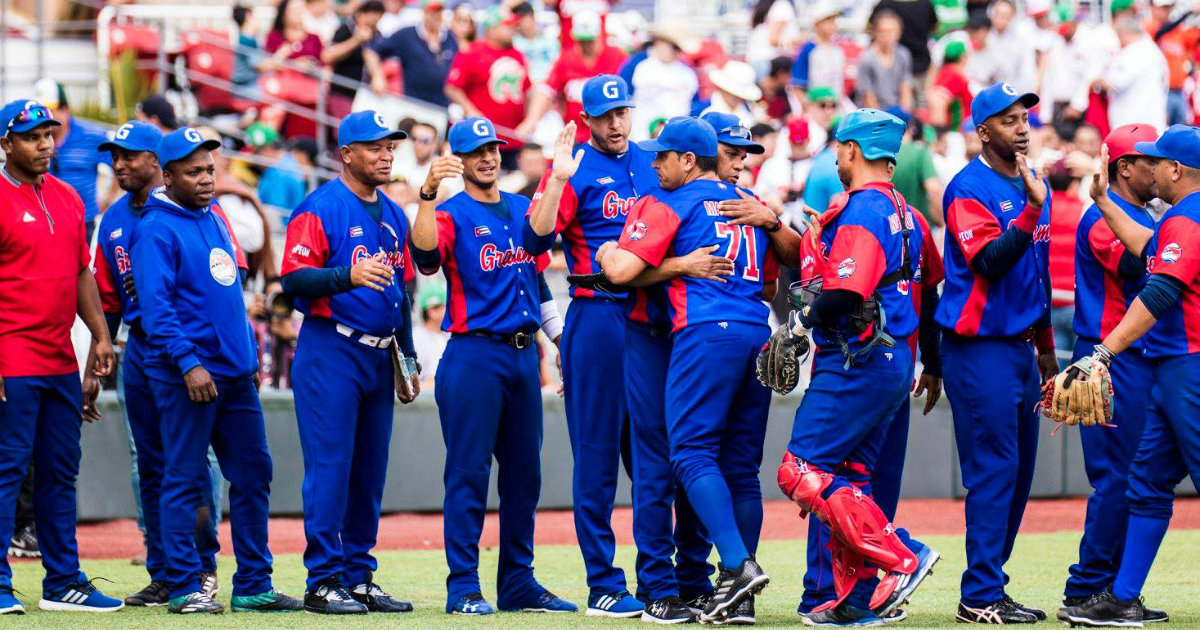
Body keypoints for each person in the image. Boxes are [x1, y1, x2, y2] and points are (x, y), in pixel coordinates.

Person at [740, 108, 940, 627]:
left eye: (838, 147)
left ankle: (902, 555)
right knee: (851, 478)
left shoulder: (864, 207)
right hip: (893, 357)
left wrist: (800, 322)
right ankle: (853, 602)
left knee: (800, 471)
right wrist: (933, 361)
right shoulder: (906, 210)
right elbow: (932, 288)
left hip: (858, 358)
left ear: (853, 150)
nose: (836, 155)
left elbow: (847, 289)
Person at [597, 116, 778, 624]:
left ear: (688, 160)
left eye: (663, 156)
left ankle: (735, 569)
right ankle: (734, 595)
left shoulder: (670, 200)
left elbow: (618, 271)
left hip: (700, 331)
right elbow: (775, 277)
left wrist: (610, 249)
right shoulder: (746, 206)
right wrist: (770, 220)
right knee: (740, 469)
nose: (653, 163)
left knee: (687, 455)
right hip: (754, 329)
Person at [409, 117, 576, 616]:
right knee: (468, 474)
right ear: (458, 159)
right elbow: (423, 258)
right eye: (476, 150)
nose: (488, 157)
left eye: (493, 149)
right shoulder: (449, 211)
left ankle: (518, 582)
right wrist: (426, 193)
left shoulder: (523, 206)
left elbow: (537, 277)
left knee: (525, 476)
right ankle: (463, 586)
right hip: (474, 354)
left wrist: (562, 340)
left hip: (525, 355)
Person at [132, 127, 302, 614]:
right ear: (167, 176)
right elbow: (157, 311)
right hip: (190, 377)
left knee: (254, 473)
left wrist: (247, 355)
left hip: (235, 375)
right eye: (193, 172)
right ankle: (185, 585)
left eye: (209, 169)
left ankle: (253, 583)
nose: (207, 179)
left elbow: (230, 295)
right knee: (184, 477)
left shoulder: (215, 215)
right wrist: (189, 364)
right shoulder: (155, 228)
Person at [523, 76, 659, 619]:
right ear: (586, 120)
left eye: (622, 112)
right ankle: (603, 582)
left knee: (655, 454)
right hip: (597, 308)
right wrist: (556, 179)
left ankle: (658, 577)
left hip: (651, 313)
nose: (615, 123)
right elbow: (534, 241)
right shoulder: (575, 166)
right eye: (604, 115)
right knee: (598, 455)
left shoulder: (654, 161)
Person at [1054, 124, 1200, 628]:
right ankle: (1113, 595)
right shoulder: (1169, 219)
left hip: (1181, 362)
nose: (1153, 167)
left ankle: (1100, 587)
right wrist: (1102, 201)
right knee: (1142, 481)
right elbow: (1147, 246)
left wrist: (1102, 353)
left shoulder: (1184, 217)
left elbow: (1159, 287)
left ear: (1175, 170)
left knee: (1135, 481)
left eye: (1159, 161)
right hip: (1158, 363)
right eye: (1147, 159)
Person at [280, 111, 418, 615]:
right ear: (347, 153)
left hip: (379, 355)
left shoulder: (394, 214)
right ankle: (322, 580)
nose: (386, 154)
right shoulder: (321, 207)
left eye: (391, 146)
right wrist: (346, 275)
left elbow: (401, 290)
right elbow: (292, 280)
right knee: (331, 467)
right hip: (331, 348)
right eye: (375, 146)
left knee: (368, 472)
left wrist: (407, 355)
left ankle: (358, 576)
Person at [89, 121, 225, 608]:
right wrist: (94, 362)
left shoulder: (203, 211)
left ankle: (202, 567)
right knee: (146, 465)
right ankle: (166, 570)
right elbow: (106, 300)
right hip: (141, 349)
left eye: (130, 155)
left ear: (160, 164)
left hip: (192, 352)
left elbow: (225, 285)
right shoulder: (114, 220)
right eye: (114, 156)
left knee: (193, 463)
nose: (119, 163)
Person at [938, 83, 1057, 623]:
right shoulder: (968, 186)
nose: (1023, 127)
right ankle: (979, 596)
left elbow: (1037, 273)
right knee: (994, 471)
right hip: (978, 347)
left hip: (1020, 348)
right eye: (1008, 120)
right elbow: (989, 262)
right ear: (983, 131)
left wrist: (1048, 350)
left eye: (1025, 118)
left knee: (1020, 474)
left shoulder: (1036, 186)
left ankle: (990, 585)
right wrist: (1031, 212)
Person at [0, 99, 121, 614]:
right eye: (32, 137)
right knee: (7, 468)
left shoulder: (70, 197)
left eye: (49, 135)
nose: (45, 145)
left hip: (58, 356)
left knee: (59, 469)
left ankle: (63, 581)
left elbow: (80, 273)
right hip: (12, 355)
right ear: (7, 144)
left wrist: (99, 335)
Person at [517, 10, 626, 144]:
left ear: (600, 35)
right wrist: (531, 120)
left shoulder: (616, 56)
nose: (585, 45)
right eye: (581, 40)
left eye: (589, 40)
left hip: (609, 136)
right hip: (577, 136)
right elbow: (546, 90)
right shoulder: (567, 58)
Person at [445, 7, 531, 167]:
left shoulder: (518, 55)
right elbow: (452, 87)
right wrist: (471, 110)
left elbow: (527, 90)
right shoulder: (472, 53)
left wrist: (530, 120)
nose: (513, 29)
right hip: (482, 139)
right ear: (492, 29)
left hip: (513, 137)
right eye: (507, 25)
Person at [35, 79, 113, 239]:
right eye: (39, 111)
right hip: (46, 223)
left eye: (49, 109)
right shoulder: (34, 138)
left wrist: (107, 201)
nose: (44, 116)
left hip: (83, 223)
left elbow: (119, 165)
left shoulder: (92, 135)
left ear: (65, 109)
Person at [372, 0, 459, 108]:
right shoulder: (407, 35)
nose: (436, 15)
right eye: (432, 11)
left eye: (440, 11)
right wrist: (377, 76)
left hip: (441, 108)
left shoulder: (450, 39)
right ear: (424, 12)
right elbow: (373, 51)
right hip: (413, 105)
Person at [1099, 15, 1169, 132]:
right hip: (1149, 122)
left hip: (1134, 125)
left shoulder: (1135, 52)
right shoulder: (1152, 50)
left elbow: (1115, 82)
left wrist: (1096, 81)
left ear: (1123, 33)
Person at [630, 27, 700, 142]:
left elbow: (694, 106)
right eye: (673, 46)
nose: (676, 51)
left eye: (678, 48)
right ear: (659, 41)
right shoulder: (638, 65)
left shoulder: (688, 72)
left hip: (677, 142)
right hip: (641, 139)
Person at [323, 1, 388, 119]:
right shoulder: (346, 29)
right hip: (342, 90)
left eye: (377, 14)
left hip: (365, 95)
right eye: (368, 13)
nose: (372, 19)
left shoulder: (378, 36)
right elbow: (328, 56)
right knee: (345, 130)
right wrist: (356, 40)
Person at [871, 0, 939, 107]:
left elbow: (870, 27)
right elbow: (934, 28)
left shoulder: (885, 4)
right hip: (903, 66)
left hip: (912, 66)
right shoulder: (925, 3)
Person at [1148, 0, 1199, 126]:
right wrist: (1188, 12)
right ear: (1152, 8)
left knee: (1180, 132)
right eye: (1163, 8)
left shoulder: (1179, 32)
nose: (1167, 11)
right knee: (1161, 131)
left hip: (1180, 92)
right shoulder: (1150, 27)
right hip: (1162, 92)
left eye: (1169, 7)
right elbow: (1160, 32)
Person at [891, 107, 945, 226]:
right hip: (918, 231)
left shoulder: (879, 156)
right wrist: (943, 224)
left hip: (889, 233)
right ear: (911, 127)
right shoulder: (919, 152)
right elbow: (934, 188)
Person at [857, 11, 914, 112]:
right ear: (875, 32)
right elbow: (867, 96)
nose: (886, 35)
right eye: (882, 31)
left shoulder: (903, 54)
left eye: (891, 31)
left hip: (897, 110)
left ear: (898, 33)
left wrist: (904, 114)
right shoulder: (867, 58)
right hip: (873, 113)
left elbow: (906, 90)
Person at [790, 2, 845, 100]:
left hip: (835, 104)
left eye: (833, 20)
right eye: (828, 20)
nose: (832, 24)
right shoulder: (808, 49)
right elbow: (797, 85)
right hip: (815, 105)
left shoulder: (838, 49)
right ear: (817, 24)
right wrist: (809, 107)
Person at [745, 0, 797, 78]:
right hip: (772, 64)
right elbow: (774, 40)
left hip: (754, 62)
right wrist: (799, 41)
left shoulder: (759, 6)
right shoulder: (781, 5)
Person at [411, 283, 449, 388]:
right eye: (443, 307)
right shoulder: (415, 338)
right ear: (432, 311)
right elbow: (410, 384)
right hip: (424, 400)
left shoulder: (450, 335)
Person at [702, 61, 763, 128]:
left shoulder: (747, 109)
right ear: (723, 89)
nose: (739, 98)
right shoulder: (705, 111)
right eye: (734, 94)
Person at [511, 2, 558, 85]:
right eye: (516, 19)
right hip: (524, 84)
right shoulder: (513, 43)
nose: (519, 22)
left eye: (522, 18)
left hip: (548, 84)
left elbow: (556, 65)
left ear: (532, 17)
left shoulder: (549, 40)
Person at [929, 40, 972, 130]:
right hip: (958, 133)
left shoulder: (945, 71)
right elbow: (938, 101)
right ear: (963, 57)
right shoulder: (953, 74)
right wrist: (941, 134)